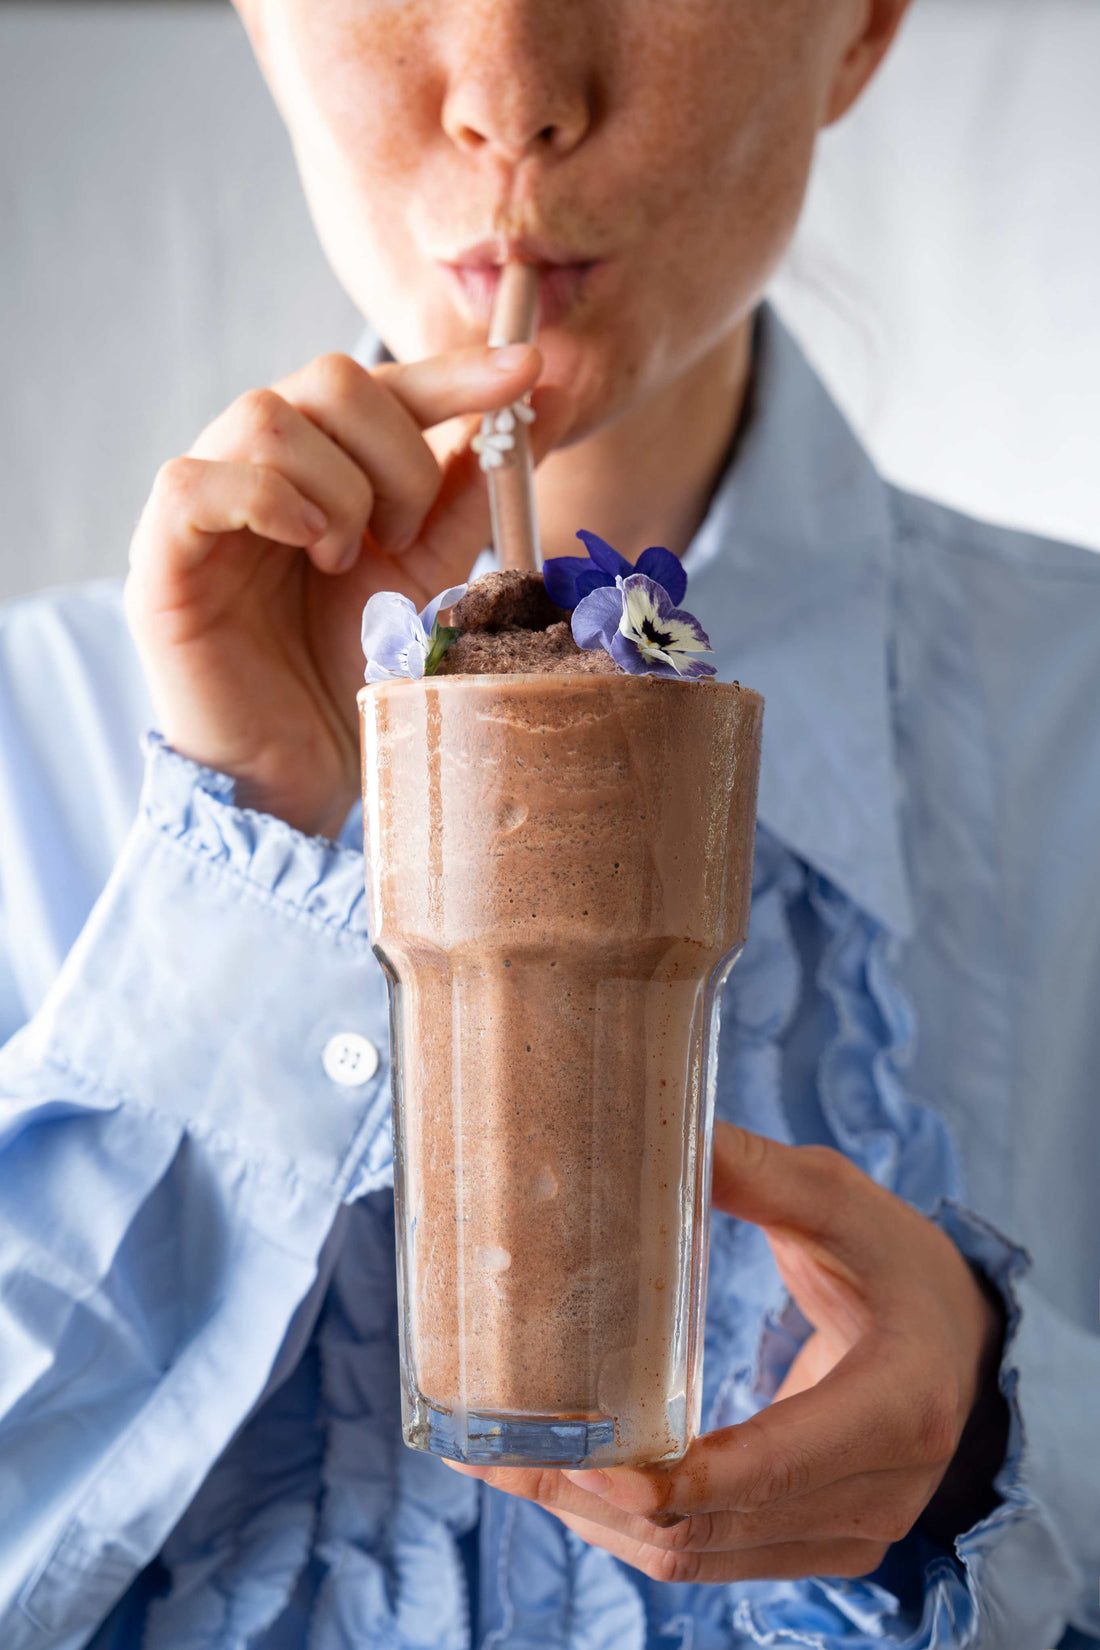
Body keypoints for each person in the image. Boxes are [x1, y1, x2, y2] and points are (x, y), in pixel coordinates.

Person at [0, 0, 1097, 1645]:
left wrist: (1009, 1448)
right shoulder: (36, 741)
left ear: (861, 26)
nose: (513, 98)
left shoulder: (1069, 722)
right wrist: (249, 861)